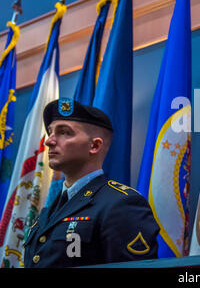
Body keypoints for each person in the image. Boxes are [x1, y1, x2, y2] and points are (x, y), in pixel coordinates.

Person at [24, 98, 160, 267]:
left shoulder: (121, 204)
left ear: (94, 146)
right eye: (50, 132)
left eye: (64, 132)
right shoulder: (50, 210)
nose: (49, 141)